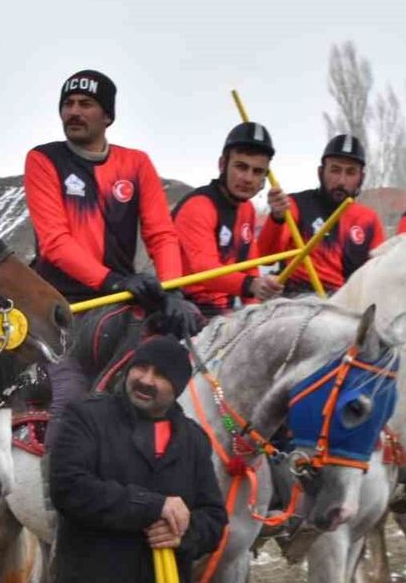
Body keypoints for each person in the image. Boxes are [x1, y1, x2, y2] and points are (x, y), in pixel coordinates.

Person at [24, 69, 202, 449]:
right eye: (68, 104)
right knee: (71, 399)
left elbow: (161, 235)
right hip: (62, 310)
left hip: (119, 304)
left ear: (108, 116)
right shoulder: (43, 160)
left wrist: (173, 293)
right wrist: (116, 281)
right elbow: (54, 242)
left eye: (86, 104)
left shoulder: (136, 164)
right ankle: (59, 482)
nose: (74, 111)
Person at [50, 335, 227, 582]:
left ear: (178, 387)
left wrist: (185, 534)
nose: (146, 380)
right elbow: (69, 488)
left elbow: (214, 519)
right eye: (141, 367)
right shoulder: (87, 416)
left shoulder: (194, 439)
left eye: (161, 375)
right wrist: (153, 506)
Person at [173, 122, 284, 318]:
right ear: (222, 164)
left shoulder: (248, 209)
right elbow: (204, 269)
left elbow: (250, 268)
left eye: (257, 171)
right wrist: (252, 286)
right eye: (241, 167)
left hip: (225, 313)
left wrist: (255, 312)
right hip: (185, 310)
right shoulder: (198, 206)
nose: (248, 178)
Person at [257, 134, 385, 295]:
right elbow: (266, 256)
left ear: (361, 178)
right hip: (296, 300)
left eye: (350, 172)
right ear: (321, 172)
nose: (341, 181)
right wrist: (277, 217)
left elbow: (378, 276)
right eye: (335, 170)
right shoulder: (294, 204)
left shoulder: (369, 219)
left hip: (346, 303)